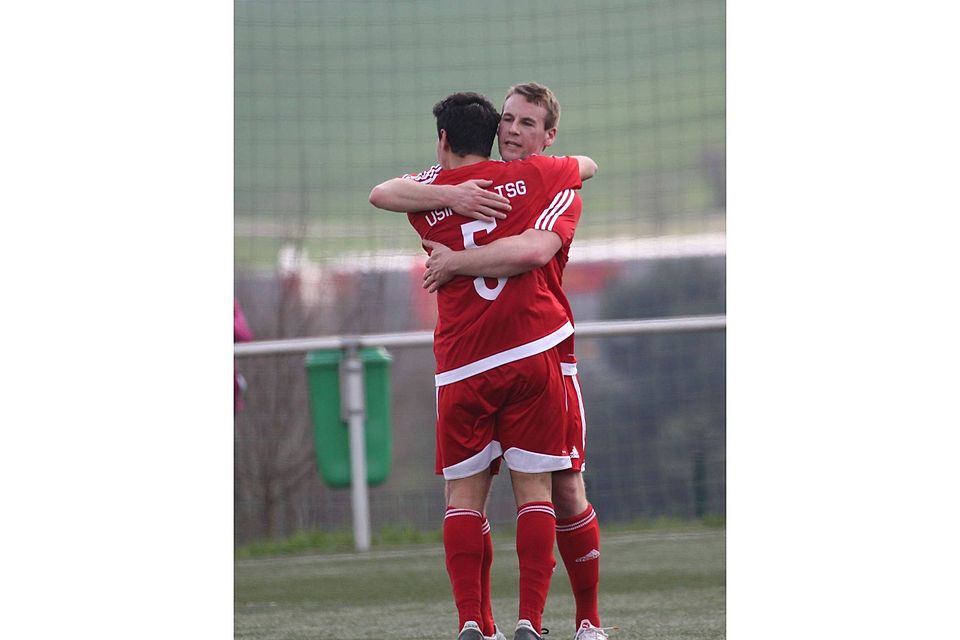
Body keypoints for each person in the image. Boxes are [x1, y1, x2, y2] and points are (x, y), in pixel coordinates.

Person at [372, 83, 608, 640]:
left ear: (549, 137)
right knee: (538, 489)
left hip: (479, 362)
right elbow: (582, 171)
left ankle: (549, 622)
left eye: (528, 123)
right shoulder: (535, 180)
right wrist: (453, 198)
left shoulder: (544, 182)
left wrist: (456, 259)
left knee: (546, 490)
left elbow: (534, 249)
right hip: (529, 353)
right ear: (492, 128)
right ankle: (524, 620)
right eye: (507, 120)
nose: (514, 130)